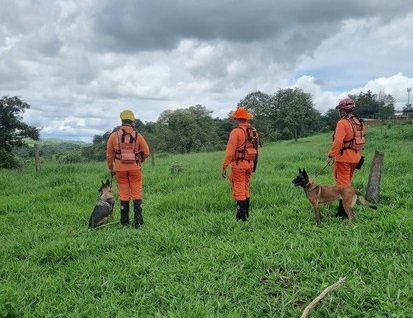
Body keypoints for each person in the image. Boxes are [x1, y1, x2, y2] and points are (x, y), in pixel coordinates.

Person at [106, 110, 150, 228]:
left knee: (124, 195)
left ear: (121, 120)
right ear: (132, 121)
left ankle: (124, 223)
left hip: (120, 170)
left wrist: (111, 168)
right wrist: (139, 160)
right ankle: (138, 223)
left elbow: (109, 156)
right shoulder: (138, 136)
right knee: (137, 195)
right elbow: (146, 152)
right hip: (135, 169)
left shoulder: (113, 136)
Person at [327, 98, 365, 218]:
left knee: (342, 186)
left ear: (343, 110)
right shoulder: (358, 122)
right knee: (347, 184)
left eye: (340, 109)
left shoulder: (342, 123)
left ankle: (343, 213)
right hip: (356, 158)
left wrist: (330, 155)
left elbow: (338, 141)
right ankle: (347, 206)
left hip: (343, 159)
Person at [221, 108, 259, 221]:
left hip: (238, 165)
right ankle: (246, 213)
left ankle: (241, 218)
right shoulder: (253, 131)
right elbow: (256, 149)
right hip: (250, 164)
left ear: (237, 119)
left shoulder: (236, 132)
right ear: (246, 118)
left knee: (239, 190)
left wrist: (224, 167)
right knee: (245, 188)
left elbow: (230, 152)